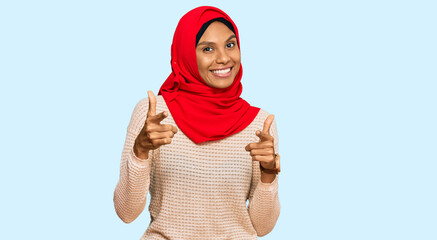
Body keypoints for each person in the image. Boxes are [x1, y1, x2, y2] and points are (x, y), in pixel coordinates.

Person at [114, 6, 281, 239]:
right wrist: (140, 151)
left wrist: (268, 175)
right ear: (186, 54)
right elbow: (126, 212)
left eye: (230, 44)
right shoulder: (154, 115)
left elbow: (262, 227)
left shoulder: (260, 124)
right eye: (208, 49)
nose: (224, 58)